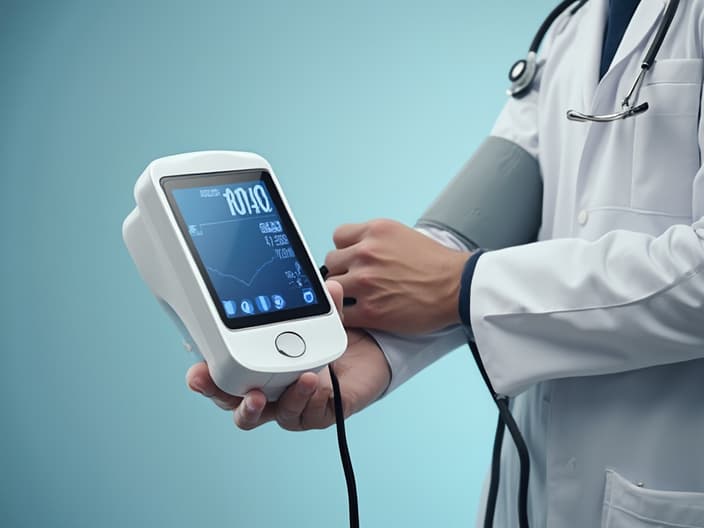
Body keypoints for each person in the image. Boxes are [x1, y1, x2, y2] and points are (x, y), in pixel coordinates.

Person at [187, 0, 704, 525]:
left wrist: (464, 287)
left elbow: (453, 273)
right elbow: (482, 220)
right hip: (533, 490)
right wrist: (372, 344)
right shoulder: (572, 27)